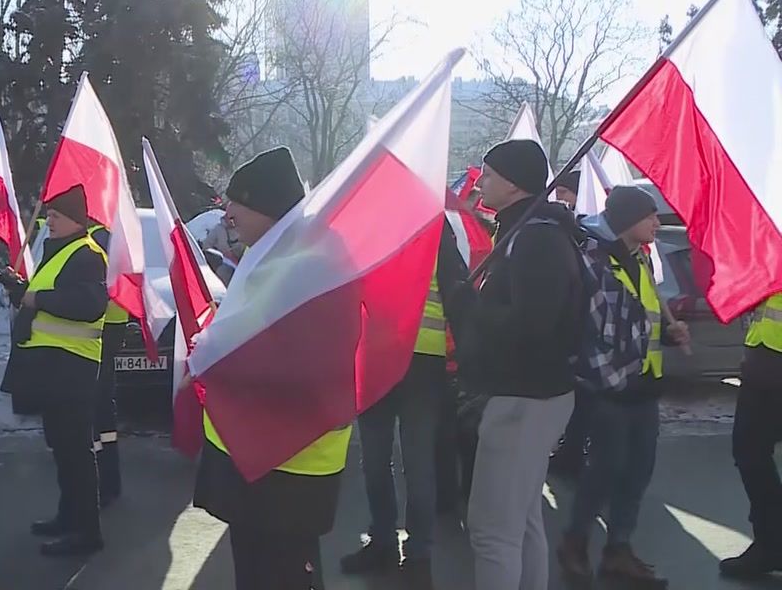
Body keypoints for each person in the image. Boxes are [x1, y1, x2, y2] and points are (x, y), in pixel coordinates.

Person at [193, 147, 351, 590]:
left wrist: (219, 360)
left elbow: (298, 366)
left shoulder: (307, 268)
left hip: (290, 463)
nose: (228, 214)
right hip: (270, 456)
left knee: (279, 573)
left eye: (236, 202)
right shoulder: (282, 257)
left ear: (265, 206)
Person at [450, 139, 582, 590]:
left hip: (522, 397)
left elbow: (532, 325)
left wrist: (469, 307)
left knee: (491, 531)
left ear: (514, 182)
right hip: (533, 395)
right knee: (522, 522)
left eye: (488, 173)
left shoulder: (536, 237)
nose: (481, 180)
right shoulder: (530, 231)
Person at [557, 186, 689, 588]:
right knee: (604, 470)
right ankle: (575, 543)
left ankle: (619, 549)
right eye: (649, 216)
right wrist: (606, 377)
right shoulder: (594, 263)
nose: (656, 223)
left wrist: (668, 334)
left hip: (644, 387)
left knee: (637, 471)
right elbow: (586, 329)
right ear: (628, 220)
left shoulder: (640, 260)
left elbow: (643, 318)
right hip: (610, 388)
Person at [341, 225, 468, 579]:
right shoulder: (424, 225)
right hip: (393, 357)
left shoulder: (409, 223)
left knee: (401, 460)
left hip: (409, 358)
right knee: (397, 460)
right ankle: (404, 549)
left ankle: (405, 549)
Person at [1, 185, 108, 557]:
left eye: (57, 216)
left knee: (75, 452)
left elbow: (90, 303)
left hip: (71, 366)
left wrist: (36, 297)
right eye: (49, 215)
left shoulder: (87, 254)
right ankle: (69, 516)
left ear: (76, 220)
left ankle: (86, 530)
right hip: (53, 366)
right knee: (62, 449)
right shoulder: (61, 251)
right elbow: (41, 298)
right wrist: (17, 288)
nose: (49, 221)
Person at [719, 289, 782, 578]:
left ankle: (771, 544)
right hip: (762, 363)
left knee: (750, 452)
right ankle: (770, 543)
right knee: (749, 452)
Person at [88, 223, 126, 507]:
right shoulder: (113, 234)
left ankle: (101, 481)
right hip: (114, 323)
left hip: (99, 328)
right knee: (103, 406)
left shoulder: (95, 239)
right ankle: (109, 479)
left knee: (95, 409)